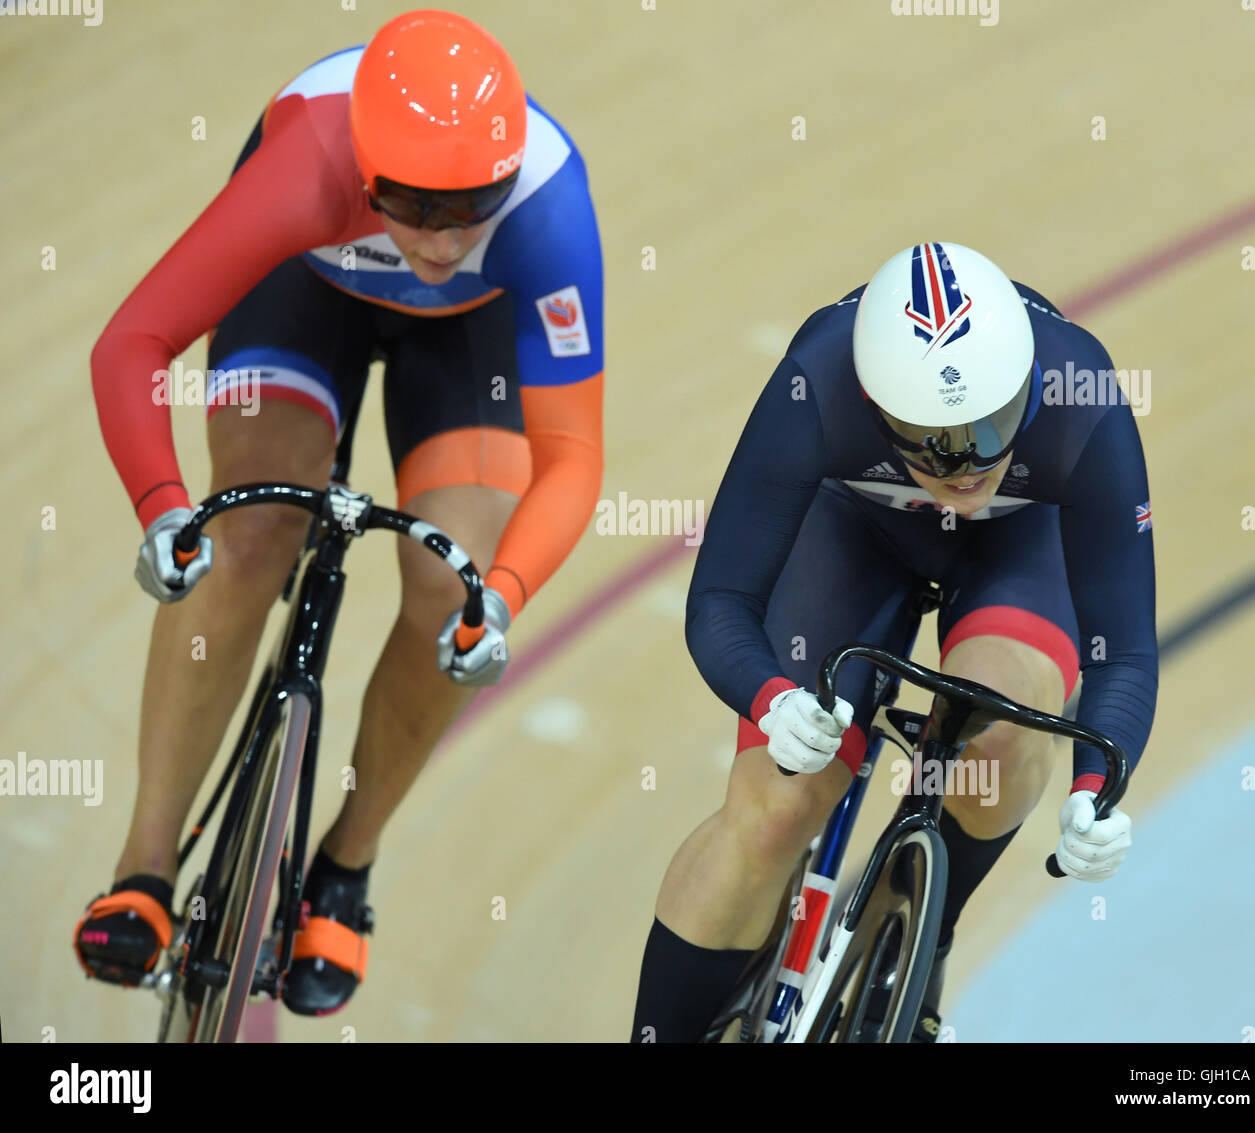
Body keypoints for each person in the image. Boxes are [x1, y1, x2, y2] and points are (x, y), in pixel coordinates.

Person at [76, 8, 604, 1016]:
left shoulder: (543, 206)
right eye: (414, 206)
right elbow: (132, 343)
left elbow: (575, 454)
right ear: (369, 173)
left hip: (467, 338)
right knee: (250, 537)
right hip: (302, 285)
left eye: (471, 207)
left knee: (450, 586)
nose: (444, 239)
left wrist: (502, 595)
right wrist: (161, 507)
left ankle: (345, 866)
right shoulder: (310, 159)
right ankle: (143, 866)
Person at [630, 242, 1155, 1043]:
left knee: (1006, 732)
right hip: (851, 525)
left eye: (994, 426)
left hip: (1017, 547)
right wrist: (772, 700)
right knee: (773, 809)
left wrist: (1096, 785)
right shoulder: (817, 378)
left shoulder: (1084, 398)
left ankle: (925, 925)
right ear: (875, 405)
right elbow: (721, 599)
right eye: (938, 440)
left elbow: (1124, 652)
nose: (970, 464)